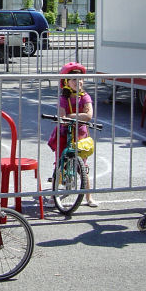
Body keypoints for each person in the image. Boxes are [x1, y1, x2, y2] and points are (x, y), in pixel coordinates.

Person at [47, 62, 97, 207]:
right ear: (66, 82)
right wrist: (76, 116)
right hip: (64, 133)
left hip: (80, 135)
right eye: (74, 79)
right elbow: (63, 117)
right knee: (59, 163)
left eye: (80, 79)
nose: (78, 82)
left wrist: (71, 115)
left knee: (83, 166)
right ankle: (53, 195)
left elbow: (89, 116)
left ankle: (89, 197)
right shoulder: (64, 98)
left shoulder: (85, 97)